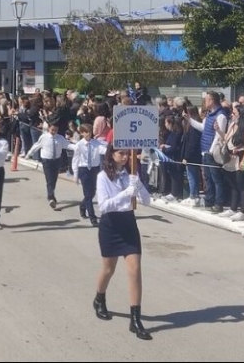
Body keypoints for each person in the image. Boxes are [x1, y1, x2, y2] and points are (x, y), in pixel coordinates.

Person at [92, 145, 153, 341]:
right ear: (112, 154)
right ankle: (99, 298)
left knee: (135, 270)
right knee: (108, 269)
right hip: (110, 225)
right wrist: (126, 193)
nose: (126, 157)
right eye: (122, 153)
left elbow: (147, 201)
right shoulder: (103, 177)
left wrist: (139, 186)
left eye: (128, 153)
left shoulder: (130, 174)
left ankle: (135, 319)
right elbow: (104, 205)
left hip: (128, 224)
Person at [26, 124, 73, 208]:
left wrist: (78, 147)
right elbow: (37, 145)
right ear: (48, 129)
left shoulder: (60, 138)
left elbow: (67, 145)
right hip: (47, 161)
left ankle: (51, 195)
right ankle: (50, 197)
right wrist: (30, 153)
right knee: (49, 179)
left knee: (53, 179)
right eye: (52, 130)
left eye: (55, 130)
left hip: (57, 160)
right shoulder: (44, 137)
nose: (54, 132)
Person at [71, 123, 108, 226]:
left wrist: (110, 151)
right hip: (84, 170)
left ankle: (82, 206)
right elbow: (75, 160)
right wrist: (75, 174)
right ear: (82, 133)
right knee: (87, 194)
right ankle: (93, 217)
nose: (88, 134)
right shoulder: (79, 145)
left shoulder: (96, 143)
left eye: (90, 132)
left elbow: (103, 149)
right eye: (86, 132)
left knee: (92, 193)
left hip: (94, 169)